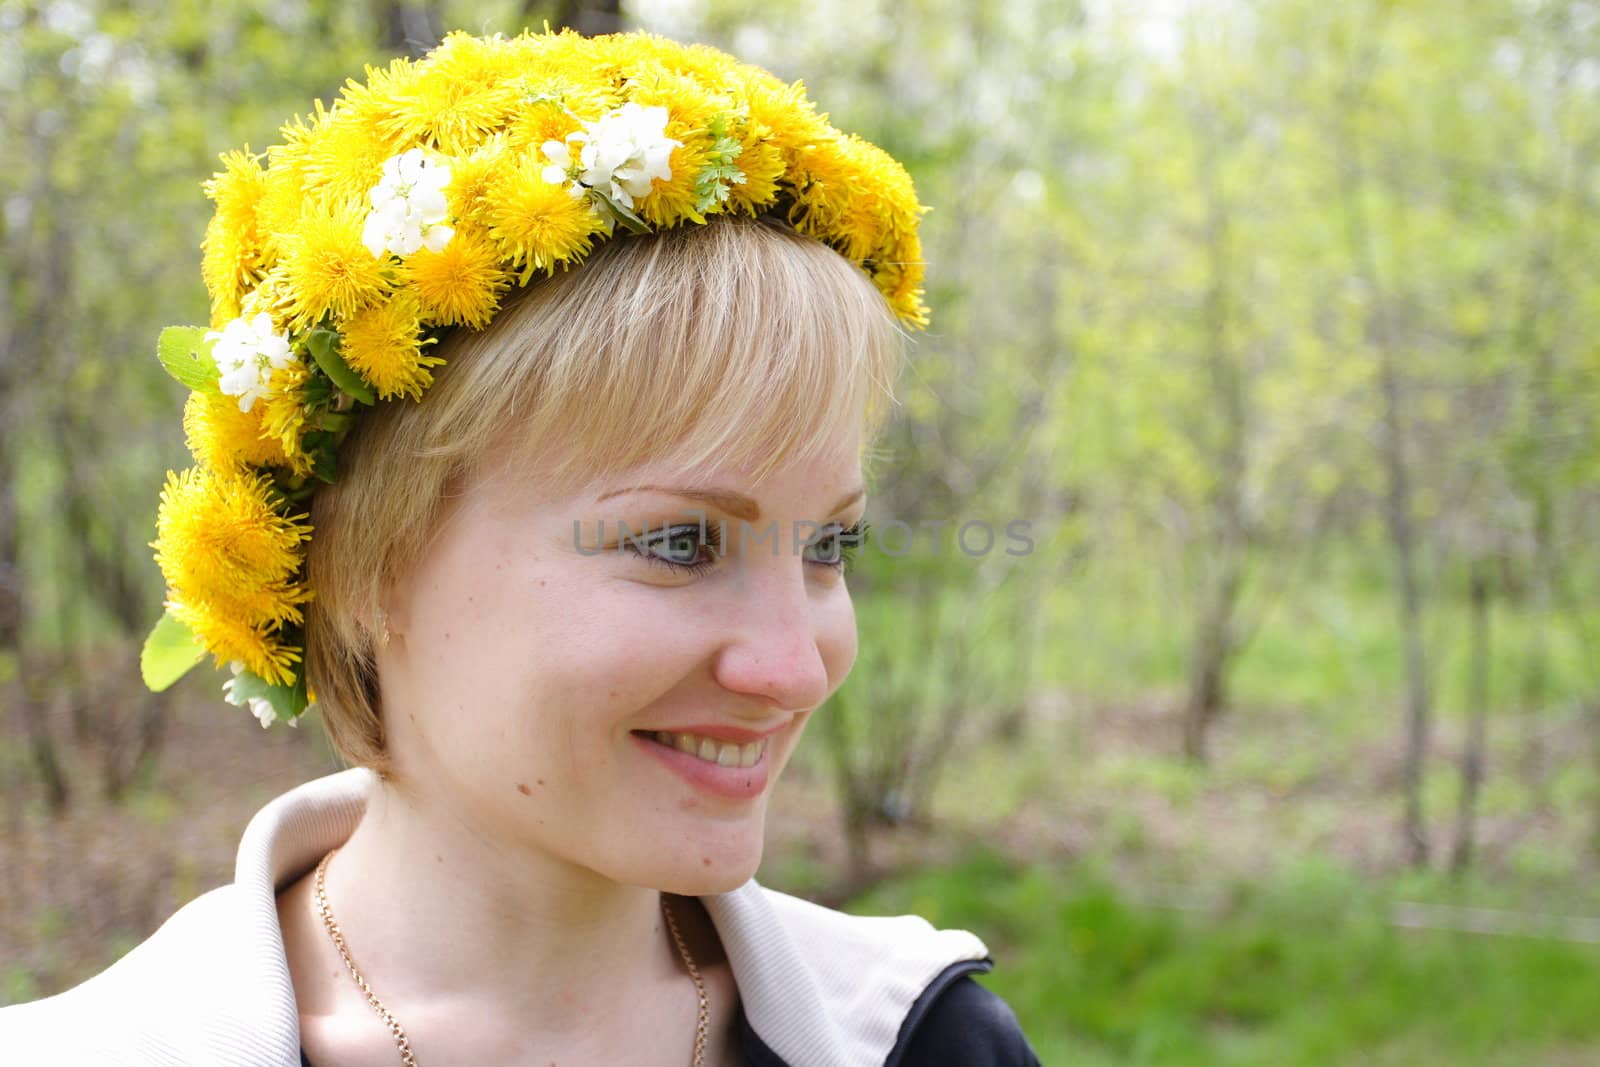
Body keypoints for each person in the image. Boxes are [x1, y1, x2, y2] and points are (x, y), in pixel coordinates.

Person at [0, 27, 1043, 1067]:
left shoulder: (921, 1037)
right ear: (364, 561)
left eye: (827, 544)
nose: (792, 665)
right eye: (681, 540)